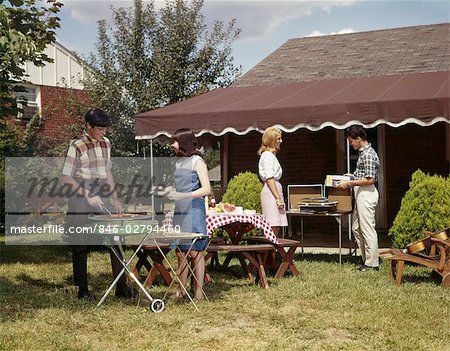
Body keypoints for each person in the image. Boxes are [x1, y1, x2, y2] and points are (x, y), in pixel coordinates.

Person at [61, 108, 133, 300]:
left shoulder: (106, 143)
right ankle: (82, 291)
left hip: (101, 192)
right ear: (88, 126)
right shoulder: (76, 146)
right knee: (81, 243)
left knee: (117, 237)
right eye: (99, 129)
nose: (103, 132)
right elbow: (65, 177)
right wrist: (87, 195)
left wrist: (115, 197)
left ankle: (122, 287)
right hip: (79, 193)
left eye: (105, 129)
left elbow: (107, 172)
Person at [168, 128, 210, 301]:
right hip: (180, 210)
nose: (172, 144)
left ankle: (199, 293)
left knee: (195, 252)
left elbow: (206, 189)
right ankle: (181, 291)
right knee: (180, 252)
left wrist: (183, 195)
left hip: (194, 210)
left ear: (183, 142)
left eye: (175, 141)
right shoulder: (178, 162)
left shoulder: (197, 161)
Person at [336, 125, 380, 272]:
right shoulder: (363, 153)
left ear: (359, 139)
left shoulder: (367, 154)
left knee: (367, 228)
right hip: (361, 192)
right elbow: (363, 175)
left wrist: (349, 183)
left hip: (366, 193)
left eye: (351, 141)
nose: (350, 144)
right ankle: (367, 257)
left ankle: (372, 263)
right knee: (356, 228)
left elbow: (370, 180)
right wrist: (352, 176)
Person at [257, 126, 287, 236]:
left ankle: (271, 252)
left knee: (276, 225)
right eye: (278, 139)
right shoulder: (267, 156)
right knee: (272, 225)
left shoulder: (271, 155)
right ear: (271, 140)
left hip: (274, 190)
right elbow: (269, 177)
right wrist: (278, 198)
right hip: (271, 192)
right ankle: (267, 252)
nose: (281, 141)